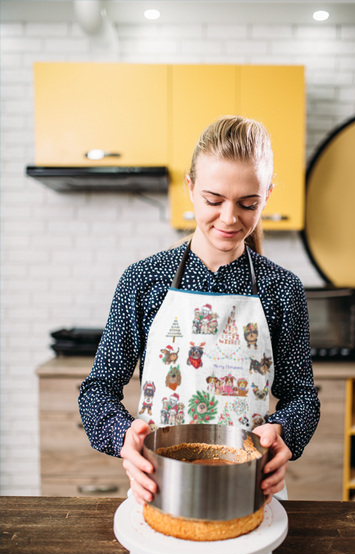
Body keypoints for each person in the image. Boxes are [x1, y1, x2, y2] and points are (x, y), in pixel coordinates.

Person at [78, 115, 320, 507]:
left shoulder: (282, 290)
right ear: (190, 189)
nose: (229, 218)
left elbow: (302, 396)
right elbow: (97, 391)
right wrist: (125, 437)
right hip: (162, 486)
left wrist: (285, 434)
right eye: (213, 200)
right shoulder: (144, 279)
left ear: (267, 196)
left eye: (248, 204)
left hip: (249, 488)